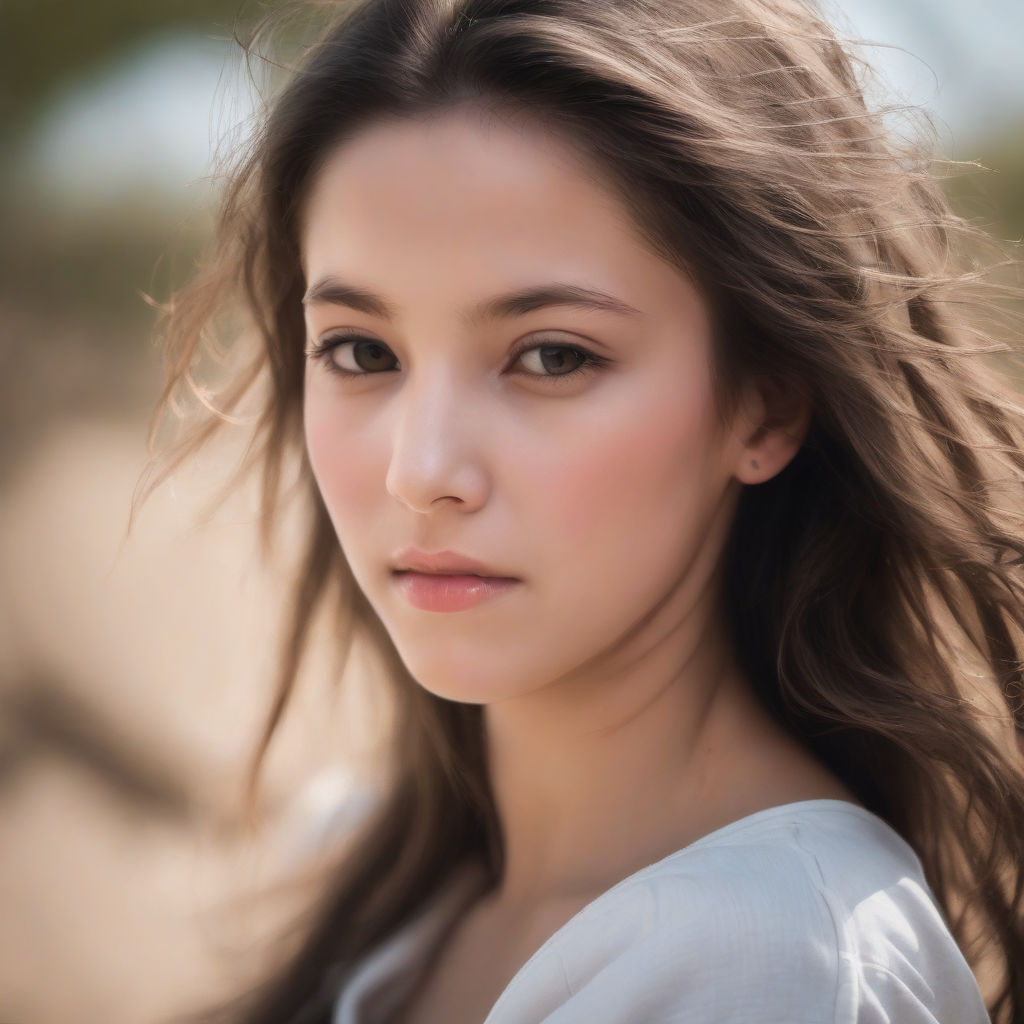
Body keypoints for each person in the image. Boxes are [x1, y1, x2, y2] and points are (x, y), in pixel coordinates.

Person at [142, 0, 1024, 1021]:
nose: (420, 471)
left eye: (552, 356)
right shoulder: (361, 866)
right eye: (361, 351)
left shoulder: (783, 966)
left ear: (765, 400)